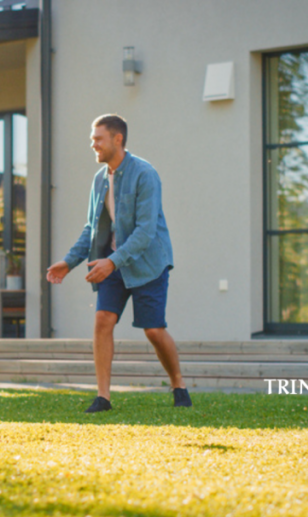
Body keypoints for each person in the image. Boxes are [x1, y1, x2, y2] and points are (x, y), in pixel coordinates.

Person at [46, 114, 190, 413]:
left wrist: (113, 262)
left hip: (148, 261)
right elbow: (92, 228)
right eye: (92, 139)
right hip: (111, 262)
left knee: (153, 330)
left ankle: (178, 384)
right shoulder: (99, 180)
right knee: (102, 321)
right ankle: (103, 397)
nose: (93, 144)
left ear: (117, 139)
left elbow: (145, 231)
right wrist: (68, 262)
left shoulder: (144, 174)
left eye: (97, 139)